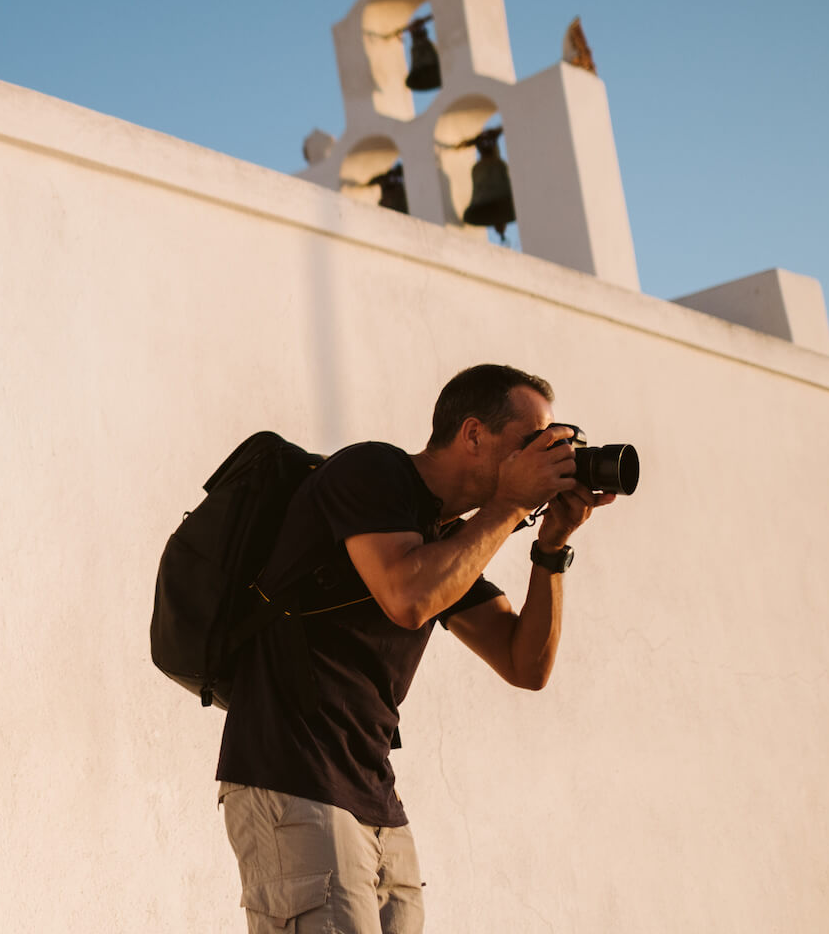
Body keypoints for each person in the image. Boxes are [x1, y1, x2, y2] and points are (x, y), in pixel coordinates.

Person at [216, 364, 615, 933]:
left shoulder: (447, 536)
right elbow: (408, 596)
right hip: (292, 774)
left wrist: (550, 547)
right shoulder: (372, 472)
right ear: (473, 434)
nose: (548, 458)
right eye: (532, 443)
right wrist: (507, 507)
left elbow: (525, 664)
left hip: (373, 798)